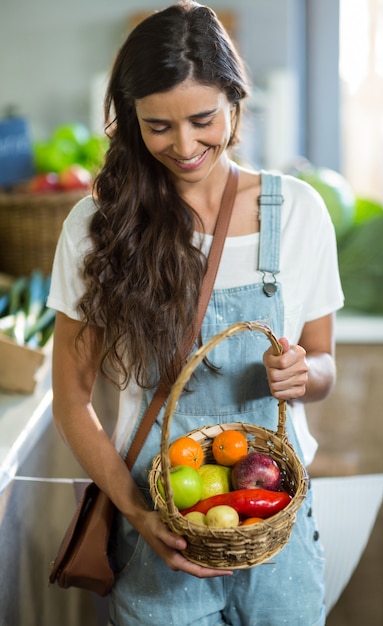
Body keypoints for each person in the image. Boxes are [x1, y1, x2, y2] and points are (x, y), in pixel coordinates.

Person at [48, 2, 344, 624]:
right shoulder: (99, 226)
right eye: (157, 126)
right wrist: (138, 513)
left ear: (235, 102)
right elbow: (71, 400)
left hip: (275, 526)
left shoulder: (296, 212)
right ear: (130, 120)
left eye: (203, 119)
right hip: (157, 524)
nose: (184, 146)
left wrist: (302, 374)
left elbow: (324, 367)